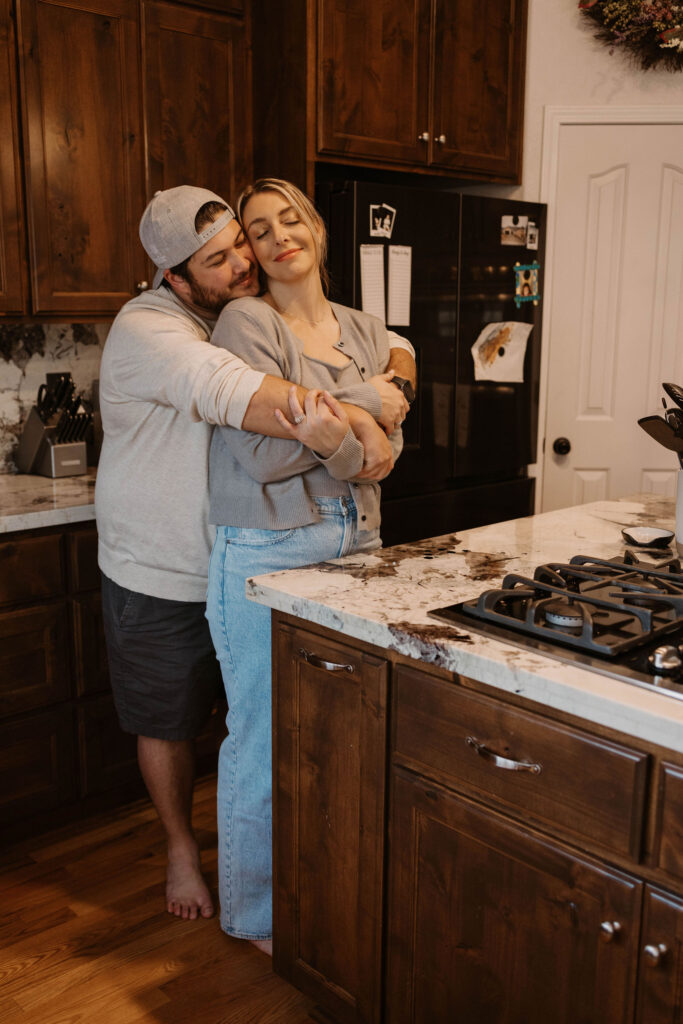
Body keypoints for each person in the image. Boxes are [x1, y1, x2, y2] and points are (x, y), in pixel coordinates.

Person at [96, 185, 416, 923]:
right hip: (163, 560)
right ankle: (181, 847)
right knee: (170, 719)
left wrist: (396, 363)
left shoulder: (250, 316)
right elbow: (254, 406)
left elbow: (385, 344)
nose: (245, 260)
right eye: (220, 258)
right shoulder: (153, 327)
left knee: (266, 726)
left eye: (244, 240)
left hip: (253, 550)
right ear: (176, 279)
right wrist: (371, 398)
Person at [205, 178, 409, 954]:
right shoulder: (244, 320)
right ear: (250, 255)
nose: (278, 235)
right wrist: (358, 409)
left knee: (345, 737)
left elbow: (383, 459)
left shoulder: (363, 325)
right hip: (267, 543)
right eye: (259, 230)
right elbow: (257, 454)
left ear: (316, 229)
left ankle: (327, 891)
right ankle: (254, 916)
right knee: (261, 737)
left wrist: (336, 432)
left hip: (359, 538)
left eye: (289, 218)